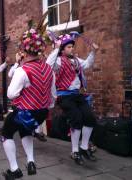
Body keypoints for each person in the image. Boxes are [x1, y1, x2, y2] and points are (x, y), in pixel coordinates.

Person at [2, 23, 56, 179]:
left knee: (7, 133)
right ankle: (31, 161)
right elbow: (53, 94)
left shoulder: (22, 70)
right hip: (42, 112)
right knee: (26, 131)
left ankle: (14, 169)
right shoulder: (48, 69)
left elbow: (11, 94)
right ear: (39, 49)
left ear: (24, 50)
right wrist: (47, 106)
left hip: (25, 111)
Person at [46, 33, 99, 165]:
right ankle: (74, 151)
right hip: (64, 96)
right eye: (68, 47)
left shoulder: (76, 60)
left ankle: (84, 147)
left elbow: (87, 64)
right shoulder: (58, 61)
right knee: (77, 119)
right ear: (63, 49)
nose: (71, 49)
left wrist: (93, 52)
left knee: (90, 119)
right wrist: (56, 49)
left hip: (77, 94)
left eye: (72, 47)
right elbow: (48, 64)